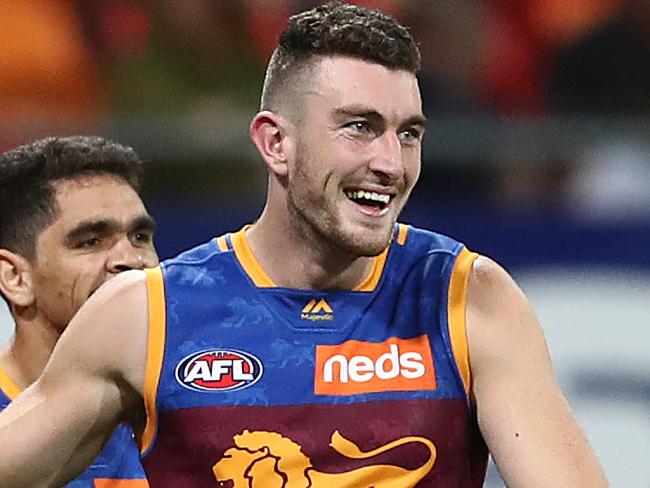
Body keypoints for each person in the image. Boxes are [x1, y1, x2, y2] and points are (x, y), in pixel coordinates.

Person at [0, 3, 608, 487]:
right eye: (359, 128)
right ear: (275, 144)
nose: (391, 164)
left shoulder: (467, 298)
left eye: (409, 133)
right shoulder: (146, 316)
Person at [0, 135, 158, 486]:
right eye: (90, 242)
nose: (131, 261)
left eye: (140, 237)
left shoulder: (192, 401)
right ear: (15, 278)